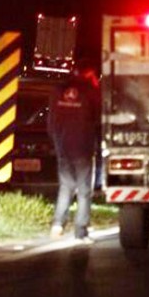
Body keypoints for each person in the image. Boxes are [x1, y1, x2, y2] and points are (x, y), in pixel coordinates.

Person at [47, 59, 101, 243]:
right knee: (84, 190)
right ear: (90, 72)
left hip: (63, 146)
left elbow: (51, 121)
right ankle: (81, 231)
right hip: (83, 147)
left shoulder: (58, 91)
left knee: (66, 186)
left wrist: (57, 142)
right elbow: (97, 120)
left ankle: (57, 225)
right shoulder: (91, 92)